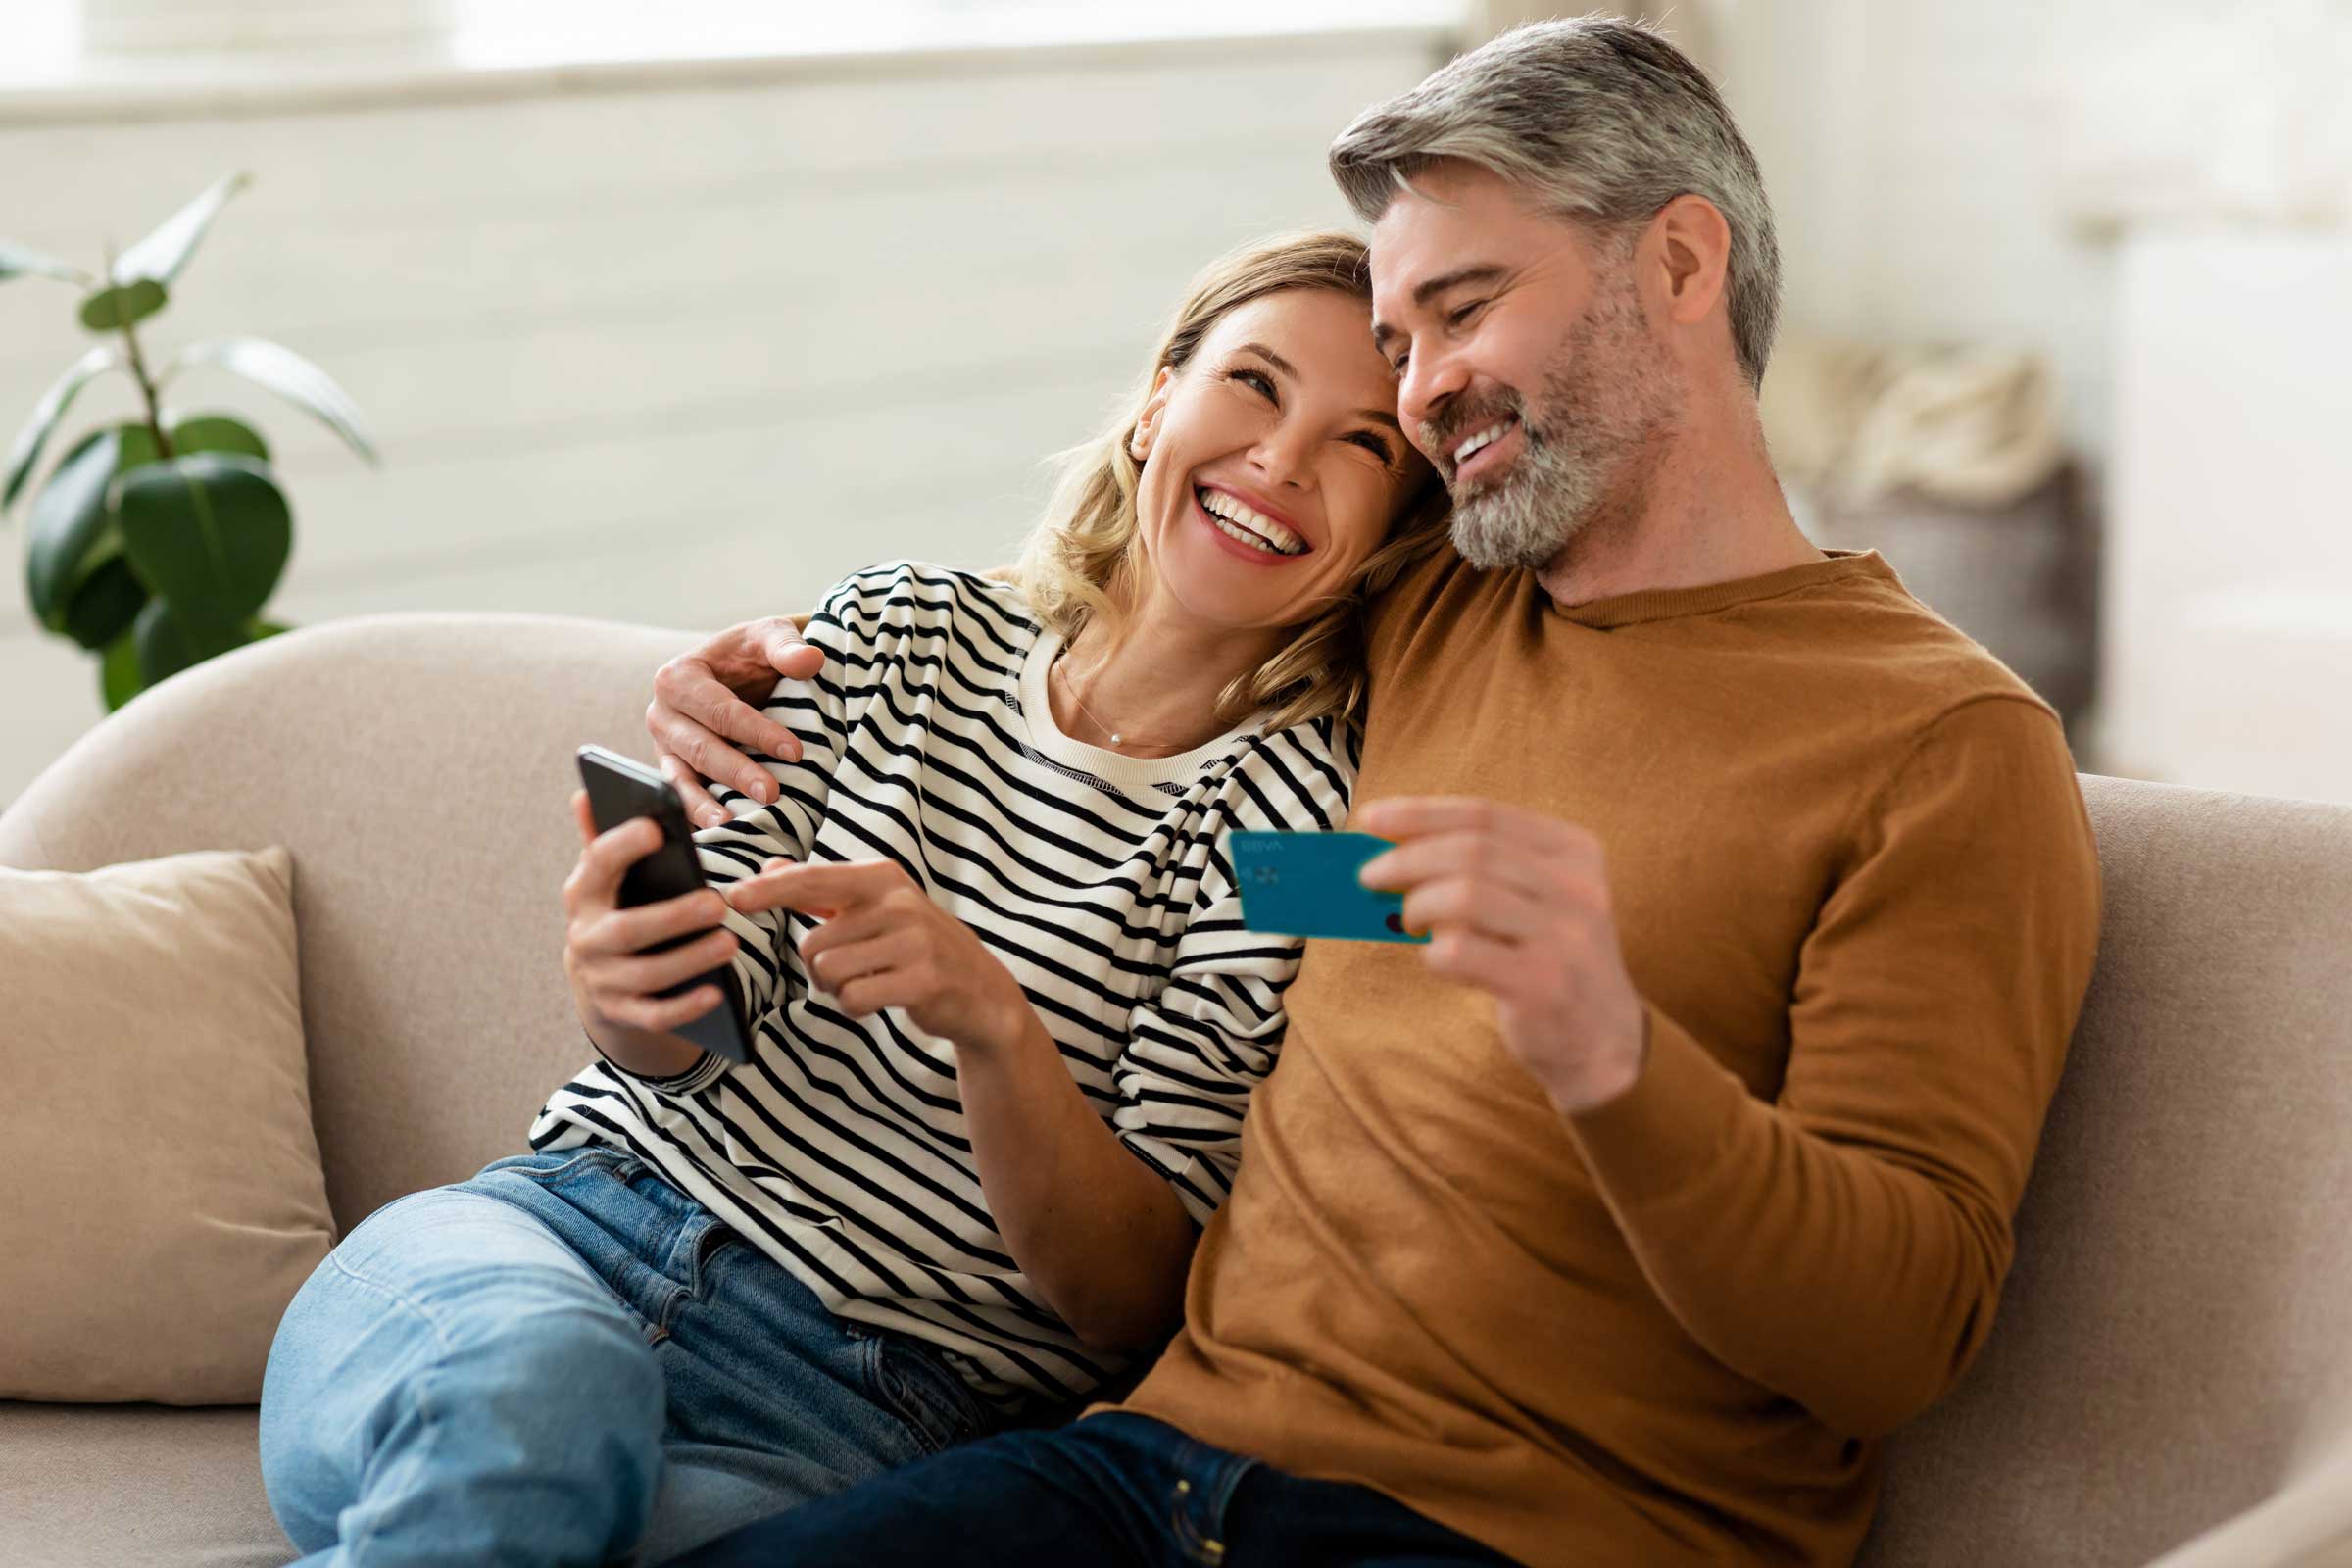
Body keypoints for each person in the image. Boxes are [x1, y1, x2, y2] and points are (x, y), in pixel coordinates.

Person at [646, 19, 2103, 1568]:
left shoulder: (1939, 747)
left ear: (1681, 264)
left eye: (1464, 310)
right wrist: (742, 682)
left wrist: (1611, 1049)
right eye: (1402, 343)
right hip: (1152, 1470)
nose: (1419, 394)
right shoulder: (1424, 614)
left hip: (1530, 1537)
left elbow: (1895, 1341)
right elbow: (1168, 700)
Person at [254, 230, 1446, 1568]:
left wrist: (991, 1025)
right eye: (1255, 385)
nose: (1282, 460)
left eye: (1364, 446)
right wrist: (623, 986)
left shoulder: (1300, 834)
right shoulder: (893, 635)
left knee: (523, 1524)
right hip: (548, 1246)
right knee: (538, 1410)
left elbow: (1129, 1306)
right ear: (1160, 398)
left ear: (1394, 533)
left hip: (853, 1412)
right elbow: (683, 1048)